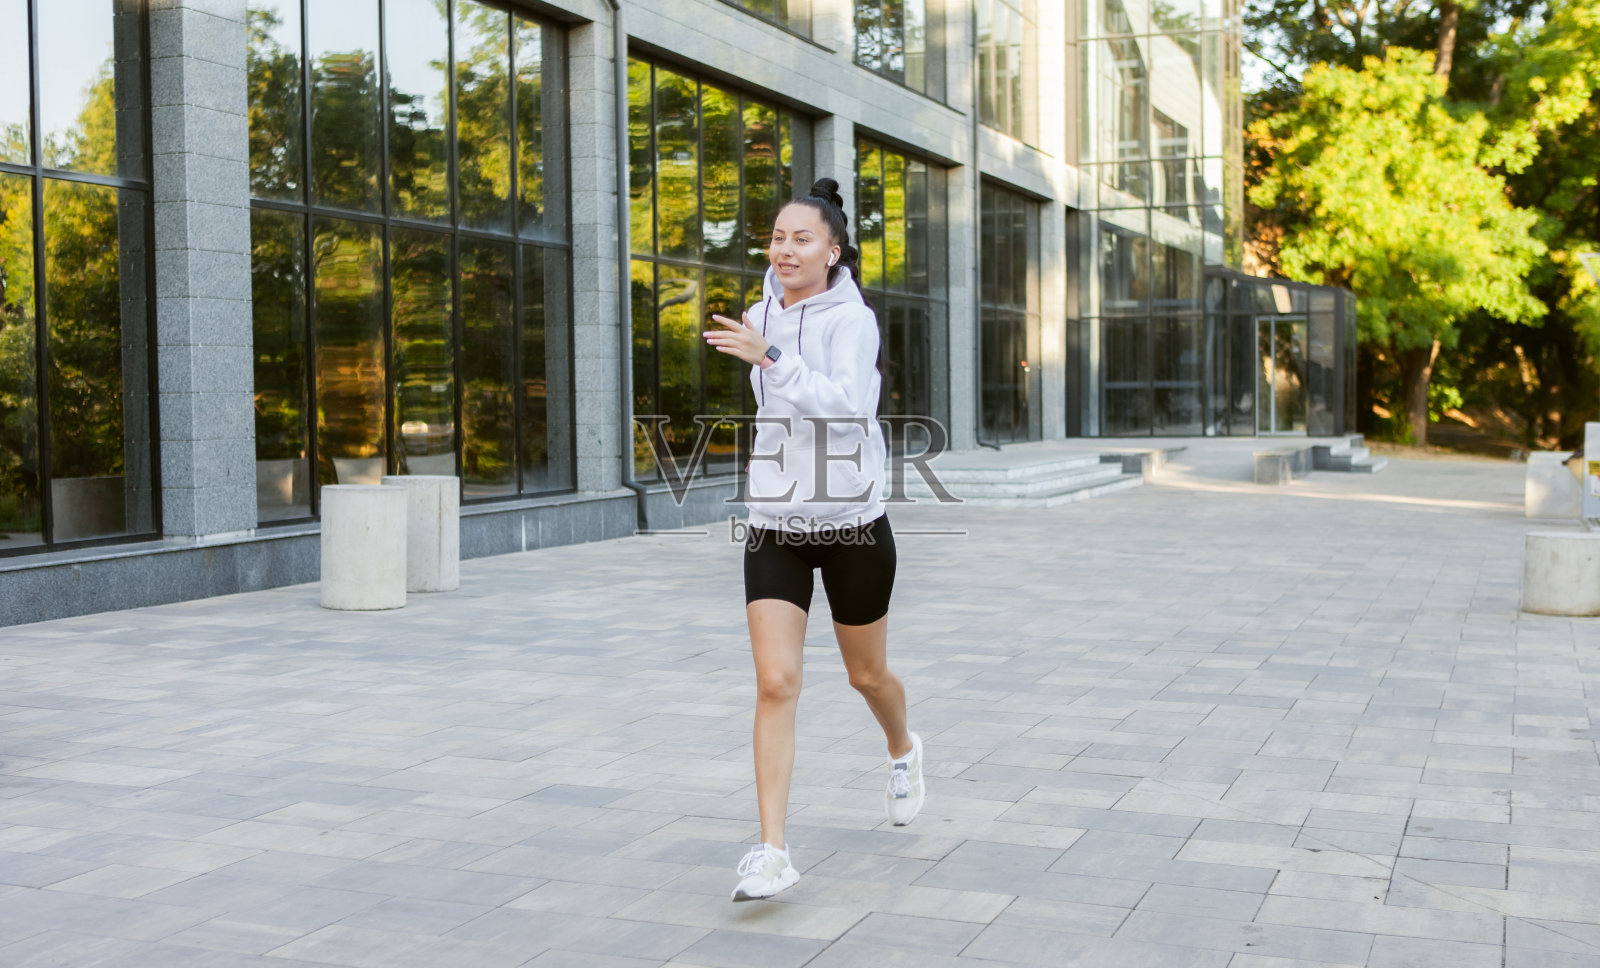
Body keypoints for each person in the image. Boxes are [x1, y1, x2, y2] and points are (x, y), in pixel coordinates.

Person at [703, 177, 924, 903]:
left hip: (853, 526)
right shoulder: (761, 309)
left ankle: (902, 748)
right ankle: (771, 852)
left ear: (833, 250)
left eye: (803, 238)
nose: (786, 248)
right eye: (777, 237)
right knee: (775, 683)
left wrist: (771, 359)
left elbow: (848, 410)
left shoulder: (851, 321)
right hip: (775, 525)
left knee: (867, 676)